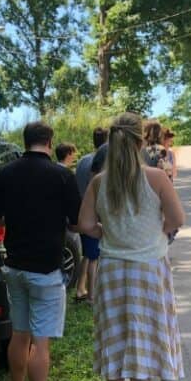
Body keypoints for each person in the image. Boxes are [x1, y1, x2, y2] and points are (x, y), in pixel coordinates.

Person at [77, 112, 185, 381]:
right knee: (143, 331)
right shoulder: (156, 178)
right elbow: (177, 219)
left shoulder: (99, 182)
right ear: (140, 141)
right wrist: (155, 231)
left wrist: (105, 232)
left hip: (112, 268)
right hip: (148, 266)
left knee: (115, 330)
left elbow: (85, 224)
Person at [0, 120, 80, 381]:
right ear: (50, 142)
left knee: (19, 333)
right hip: (46, 270)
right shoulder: (61, 176)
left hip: (14, 266)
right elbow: (76, 223)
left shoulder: (5, 173)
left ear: (25, 142)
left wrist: (14, 221)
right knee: (41, 341)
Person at [73, 127, 108, 302]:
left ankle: (80, 288)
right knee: (94, 257)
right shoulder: (100, 163)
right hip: (93, 213)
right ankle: (92, 296)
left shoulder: (82, 160)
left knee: (87, 254)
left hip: (79, 211)